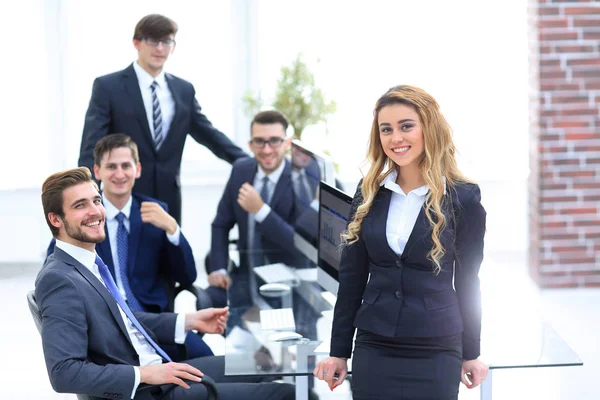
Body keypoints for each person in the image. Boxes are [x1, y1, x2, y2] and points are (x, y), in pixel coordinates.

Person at [36, 166, 295, 400]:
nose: (95, 211)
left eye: (96, 200)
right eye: (80, 205)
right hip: (149, 390)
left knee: (266, 365)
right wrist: (146, 374)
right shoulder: (60, 279)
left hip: (161, 370)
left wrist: (188, 321)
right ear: (56, 219)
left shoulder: (87, 263)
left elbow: (121, 322)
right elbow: (64, 372)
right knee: (286, 393)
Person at [313, 85, 489, 399]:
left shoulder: (464, 197)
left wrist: (471, 351)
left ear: (428, 129)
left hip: (437, 346)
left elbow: (467, 280)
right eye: (386, 129)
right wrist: (338, 350)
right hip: (375, 344)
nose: (396, 138)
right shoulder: (369, 193)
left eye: (406, 126)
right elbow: (352, 277)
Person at [48, 133, 212, 359]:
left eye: (126, 165)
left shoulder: (156, 211)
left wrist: (173, 230)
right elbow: (59, 264)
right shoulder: (81, 219)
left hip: (155, 323)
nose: (119, 174)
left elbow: (187, 276)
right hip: (106, 326)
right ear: (97, 171)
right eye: (111, 166)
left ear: (138, 169)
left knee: (209, 361)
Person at [78, 14, 248, 224]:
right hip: (123, 196)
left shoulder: (183, 90)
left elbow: (208, 134)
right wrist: (84, 192)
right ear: (137, 43)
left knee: (171, 254)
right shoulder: (108, 87)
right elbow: (91, 143)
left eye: (166, 42)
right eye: (152, 41)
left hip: (169, 199)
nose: (160, 48)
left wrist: (248, 162)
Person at [205, 110, 299, 309]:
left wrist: (261, 210)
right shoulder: (241, 169)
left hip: (288, 286)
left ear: (287, 143)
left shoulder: (301, 181)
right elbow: (220, 224)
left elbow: (299, 244)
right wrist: (220, 269)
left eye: (274, 141)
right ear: (250, 145)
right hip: (244, 280)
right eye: (259, 142)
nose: (266, 150)